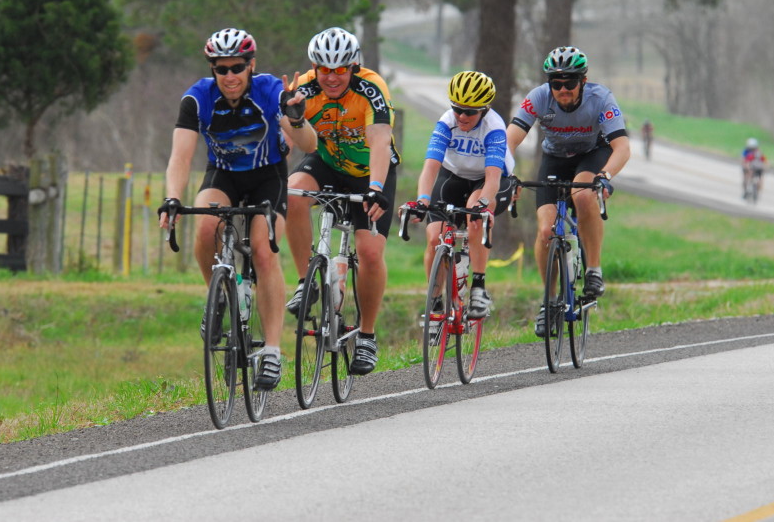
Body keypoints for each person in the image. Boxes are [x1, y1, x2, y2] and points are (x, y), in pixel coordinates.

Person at [158, 27, 317, 390]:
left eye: (237, 67)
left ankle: (273, 350)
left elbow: (309, 144)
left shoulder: (270, 90)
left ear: (251, 65)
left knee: (263, 250)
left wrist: (296, 118)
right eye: (221, 69)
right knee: (204, 227)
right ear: (212, 69)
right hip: (224, 175)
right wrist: (172, 197)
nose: (229, 76)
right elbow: (180, 157)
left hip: (268, 176)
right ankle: (218, 300)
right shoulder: (197, 99)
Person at [285, 26, 401, 376]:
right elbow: (296, 143)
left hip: (370, 171)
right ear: (314, 67)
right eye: (324, 69)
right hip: (327, 161)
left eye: (340, 69)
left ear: (353, 66)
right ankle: (307, 281)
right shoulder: (302, 89)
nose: (332, 77)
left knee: (368, 252)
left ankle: (366, 335)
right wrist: (293, 119)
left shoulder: (371, 89)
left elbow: (380, 141)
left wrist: (376, 188)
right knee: (291, 194)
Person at [505, 46, 630, 336]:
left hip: (591, 155)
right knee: (546, 231)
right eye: (556, 83)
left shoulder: (601, 98)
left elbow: (622, 147)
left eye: (570, 83)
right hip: (554, 159)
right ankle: (548, 303)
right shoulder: (538, 97)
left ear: (583, 82)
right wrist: (506, 175)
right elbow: (509, 140)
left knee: (583, 195)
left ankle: (593, 271)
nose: (562, 89)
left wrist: (605, 176)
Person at [408, 70, 516, 319]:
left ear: (484, 110)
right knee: (434, 237)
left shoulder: (494, 128)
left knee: (475, 215)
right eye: (458, 109)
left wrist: (483, 205)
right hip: (454, 176)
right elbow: (430, 168)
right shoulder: (447, 122)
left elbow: (492, 178)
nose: (462, 116)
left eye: (470, 111)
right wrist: (422, 201)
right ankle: (435, 301)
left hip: (490, 180)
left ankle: (478, 288)